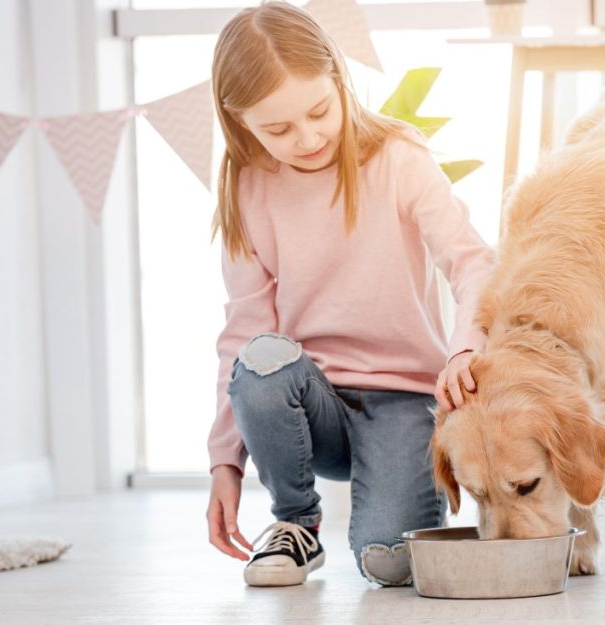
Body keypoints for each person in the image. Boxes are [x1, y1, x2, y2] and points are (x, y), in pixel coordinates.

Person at [204, 0, 494, 587]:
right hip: (311, 406)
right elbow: (244, 333)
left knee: (389, 561)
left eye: (318, 111)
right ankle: (294, 524)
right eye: (278, 129)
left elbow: (474, 264)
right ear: (241, 124)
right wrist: (224, 462)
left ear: (339, 79)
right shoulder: (248, 188)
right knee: (259, 359)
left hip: (406, 402)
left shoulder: (398, 158)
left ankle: (386, 524)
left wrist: (466, 351)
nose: (308, 138)